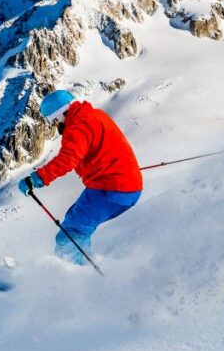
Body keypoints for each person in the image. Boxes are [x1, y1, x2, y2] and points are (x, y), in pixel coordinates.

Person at [17, 90, 143, 265]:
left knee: (70, 235)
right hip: (123, 184)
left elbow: (67, 159)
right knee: (72, 220)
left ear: (60, 113)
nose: (53, 124)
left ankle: (74, 278)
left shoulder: (77, 127)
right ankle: (80, 267)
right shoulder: (93, 115)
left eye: (52, 119)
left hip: (112, 189)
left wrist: (37, 178)